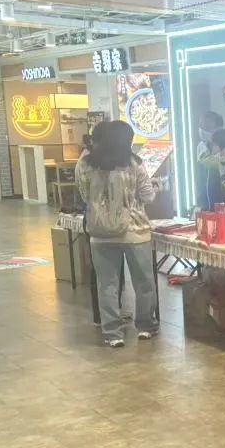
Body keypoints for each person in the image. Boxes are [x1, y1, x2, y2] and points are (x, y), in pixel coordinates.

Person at [76, 120, 159, 348]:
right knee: (144, 283)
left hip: (100, 233)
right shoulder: (134, 164)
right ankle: (145, 327)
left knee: (107, 285)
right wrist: (155, 187)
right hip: (135, 232)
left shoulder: (86, 164)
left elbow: (84, 195)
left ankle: (112, 333)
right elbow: (147, 196)